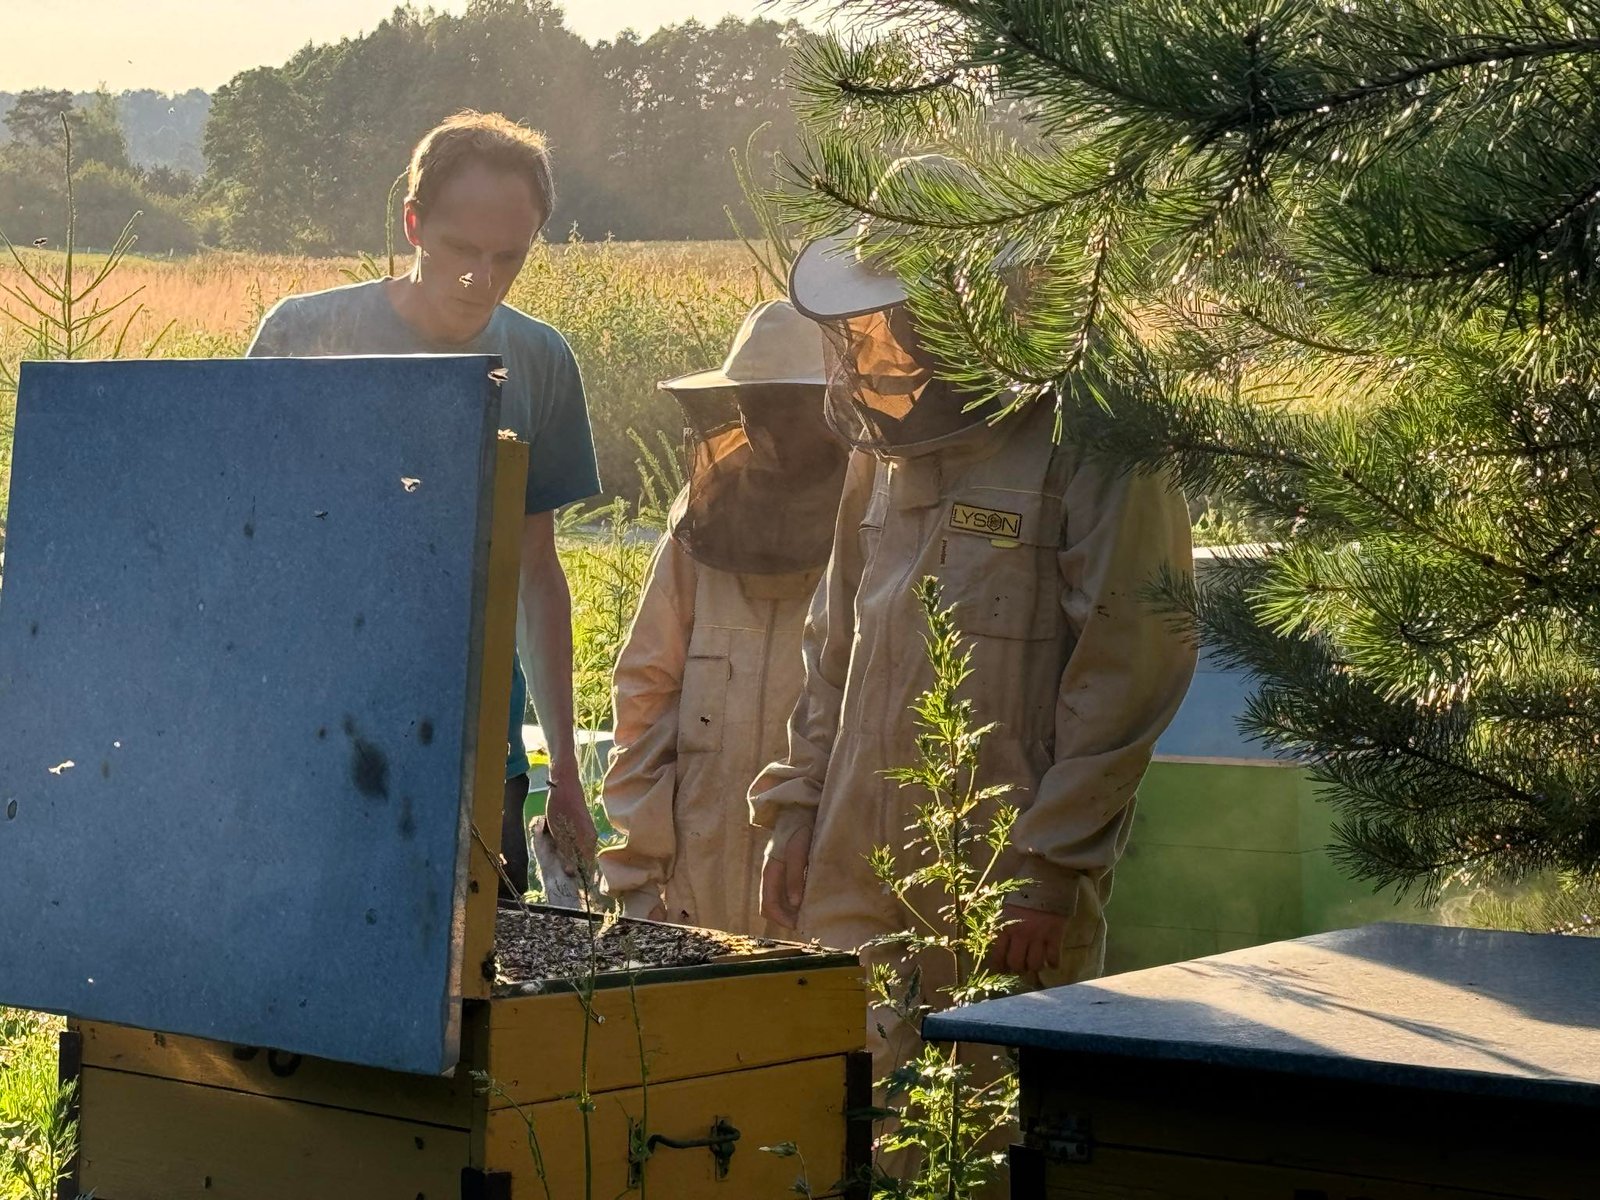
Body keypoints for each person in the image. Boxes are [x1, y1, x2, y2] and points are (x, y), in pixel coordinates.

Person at [749, 156, 1199, 1083]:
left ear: (985, 301)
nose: (888, 343)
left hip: (1003, 897)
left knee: (984, 1147)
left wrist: (1053, 869)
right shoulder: (884, 450)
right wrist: (794, 811)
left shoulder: (1096, 437)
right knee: (841, 1138)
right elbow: (834, 645)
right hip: (849, 872)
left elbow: (1131, 666)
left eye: (910, 316)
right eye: (877, 320)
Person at [246, 111, 601, 895]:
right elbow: (248, 545)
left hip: (478, 750)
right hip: (309, 737)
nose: (481, 277)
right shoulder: (306, 334)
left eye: (507, 257)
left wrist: (565, 773)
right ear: (413, 222)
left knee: (474, 987)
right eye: (460, 250)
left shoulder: (540, 360)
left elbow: (535, 573)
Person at [598, 300, 846, 936]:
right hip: (694, 880)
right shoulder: (702, 517)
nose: (766, 432)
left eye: (787, 411)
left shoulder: (880, 524)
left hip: (823, 881)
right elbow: (646, 694)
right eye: (753, 408)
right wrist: (639, 873)